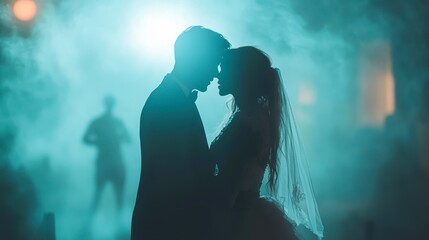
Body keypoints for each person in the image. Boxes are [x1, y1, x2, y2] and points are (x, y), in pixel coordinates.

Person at [210, 46, 324, 239]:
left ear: (240, 75)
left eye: (224, 70)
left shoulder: (247, 123)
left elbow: (234, 179)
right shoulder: (254, 117)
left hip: (237, 216)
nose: (218, 77)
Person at [131, 26, 231, 240]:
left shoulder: (173, 97)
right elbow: (175, 179)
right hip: (170, 226)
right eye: (214, 63)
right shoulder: (167, 102)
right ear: (197, 60)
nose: (215, 73)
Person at [83, 95, 130, 214]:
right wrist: (100, 142)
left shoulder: (108, 122)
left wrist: (118, 138)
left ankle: (119, 225)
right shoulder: (106, 122)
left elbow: (128, 139)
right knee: (100, 195)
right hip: (107, 162)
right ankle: (90, 224)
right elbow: (85, 139)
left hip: (113, 162)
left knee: (116, 196)